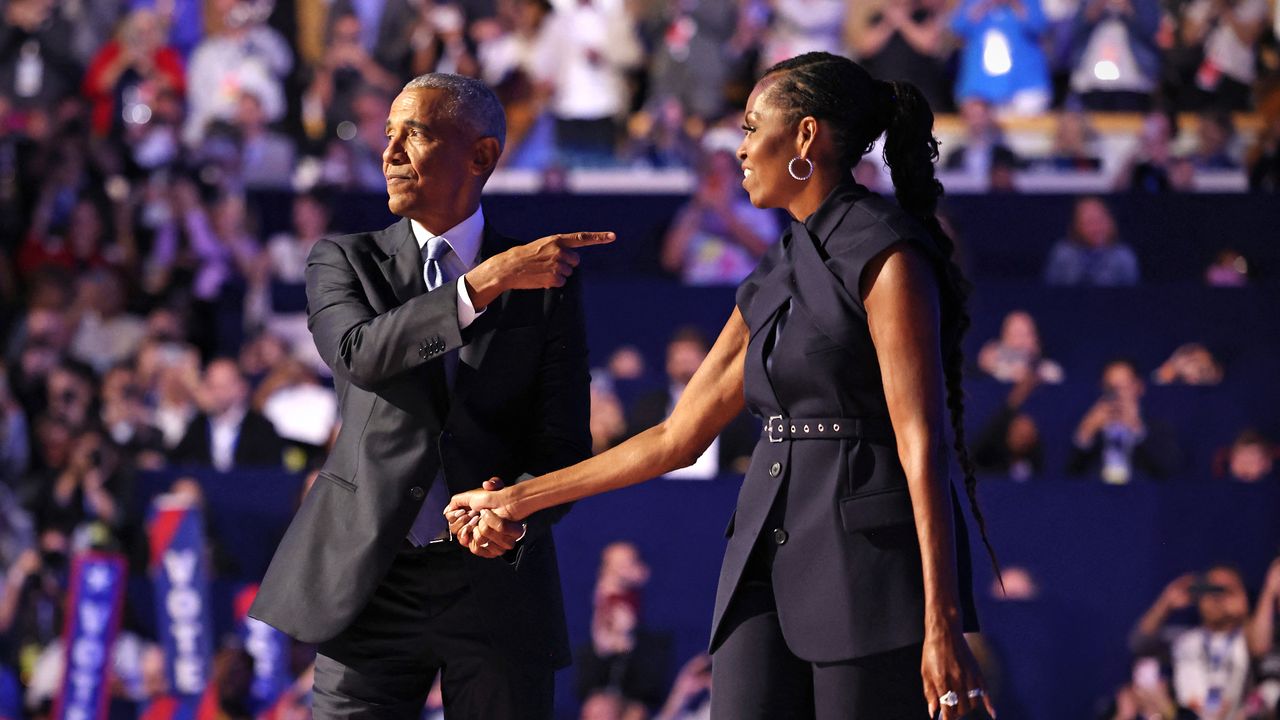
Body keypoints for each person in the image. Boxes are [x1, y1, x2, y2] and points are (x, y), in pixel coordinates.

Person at [448, 52, 996, 719]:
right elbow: (677, 437)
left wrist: (943, 621)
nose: (736, 150)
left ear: (805, 138)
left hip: (868, 565)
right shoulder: (778, 265)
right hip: (764, 554)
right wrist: (521, 500)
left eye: (749, 128)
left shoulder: (886, 251)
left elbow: (922, 442)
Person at [249, 73, 614, 719]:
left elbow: (562, 442)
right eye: (387, 135)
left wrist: (517, 513)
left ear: (481, 156)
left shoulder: (547, 282)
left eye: (412, 134)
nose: (388, 152)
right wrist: (483, 284)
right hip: (370, 579)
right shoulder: (342, 259)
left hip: (496, 581)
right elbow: (361, 354)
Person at [1131, 567, 1254, 718]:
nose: (1217, 598)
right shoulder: (1184, 640)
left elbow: (1262, 650)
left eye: (1225, 591)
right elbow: (1140, 643)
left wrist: (1245, 613)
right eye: (1211, 589)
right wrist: (1165, 603)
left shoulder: (1249, 639)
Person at [1068, 358, 1181, 481]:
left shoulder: (1158, 428)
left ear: (1139, 387)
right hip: (1096, 496)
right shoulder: (1089, 426)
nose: (1118, 394)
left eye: (1124, 386)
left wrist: (1137, 428)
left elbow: (1170, 470)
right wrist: (1086, 433)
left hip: (1142, 496)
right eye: (1111, 388)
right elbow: (1068, 475)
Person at [1043, 196, 1140, 286]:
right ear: (1077, 225)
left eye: (1100, 221)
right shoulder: (1063, 254)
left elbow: (1132, 296)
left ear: (1110, 222)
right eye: (1089, 222)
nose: (1096, 228)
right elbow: (1049, 292)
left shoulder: (1123, 256)